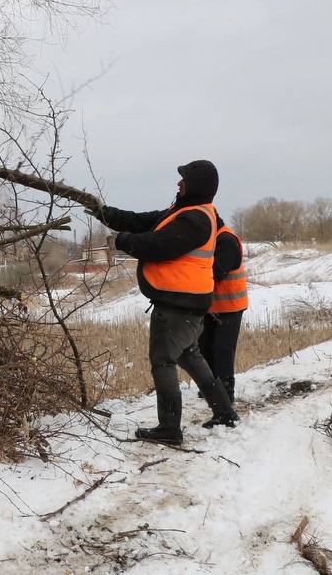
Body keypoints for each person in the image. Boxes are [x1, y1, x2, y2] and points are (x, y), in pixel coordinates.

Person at [89, 160, 239, 444]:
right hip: (187, 304)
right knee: (190, 355)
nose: (178, 183)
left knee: (162, 361)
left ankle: (169, 429)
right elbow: (142, 221)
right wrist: (105, 214)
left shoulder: (195, 219)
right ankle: (224, 412)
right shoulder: (185, 212)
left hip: (178, 306)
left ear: (195, 186)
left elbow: (157, 246)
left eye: (184, 179)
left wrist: (121, 242)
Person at [198, 217, 248, 405]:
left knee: (223, 350)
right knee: (205, 347)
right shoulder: (210, 239)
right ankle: (210, 389)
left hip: (231, 306)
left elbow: (215, 272)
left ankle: (226, 394)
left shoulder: (227, 240)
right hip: (211, 306)